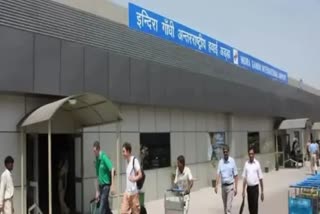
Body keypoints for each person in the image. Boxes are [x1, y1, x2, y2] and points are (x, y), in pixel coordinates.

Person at [215, 145, 238, 214]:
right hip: (223, 187)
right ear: (223, 153)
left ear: (228, 152)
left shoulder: (232, 161)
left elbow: (236, 175)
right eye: (224, 152)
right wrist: (216, 185)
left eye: (226, 152)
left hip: (230, 187)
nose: (225, 153)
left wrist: (236, 188)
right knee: (225, 207)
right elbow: (218, 174)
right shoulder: (220, 162)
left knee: (228, 208)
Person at [93, 141, 115, 214]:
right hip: (101, 186)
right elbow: (97, 176)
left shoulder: (104, 157)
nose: (94, 153)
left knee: (101, 208)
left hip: (106, 186)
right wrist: (97, 191)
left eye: (95, 151)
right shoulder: (96, 160)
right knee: (106, 207)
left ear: (99, 149)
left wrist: (113, 185)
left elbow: (112, 169)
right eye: (93, 151)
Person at [121, 142, 142, 214]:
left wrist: (134, 179)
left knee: (136, 212)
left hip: (134, 194)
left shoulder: (134, 161)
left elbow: (140, 175)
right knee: (123, 212)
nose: (122, 153)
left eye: (123, 151)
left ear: (128, 151)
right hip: (127, 192)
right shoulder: (126, 161)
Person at [242, 148, 264, 214]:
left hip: (255, 189)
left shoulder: (257, 164)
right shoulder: (246, 164)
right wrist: (243, 190)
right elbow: (245, 178)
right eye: (249, 154)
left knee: (255, 206)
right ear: (248, 155)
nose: (251, 155)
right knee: (250, 207)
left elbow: (260, 178)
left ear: (254, 154)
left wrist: (262, 192)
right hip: (249, 189)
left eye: (252, 154)